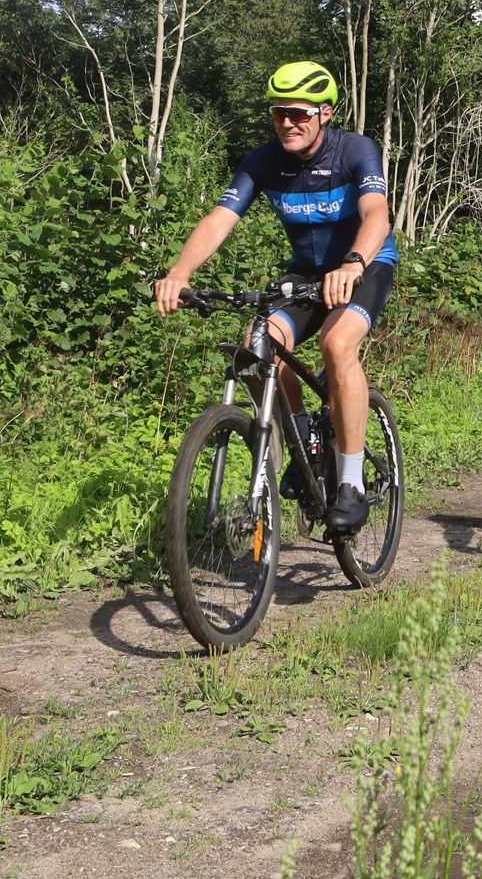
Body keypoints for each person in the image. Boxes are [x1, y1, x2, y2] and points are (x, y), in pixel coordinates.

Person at [153, 61, 394, 538]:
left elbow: (377, 215)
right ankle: (304, 441)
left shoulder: (354, 150)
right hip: (305, 274)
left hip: (364, 264)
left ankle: (350, 482)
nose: (288, 122)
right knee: (259, 344)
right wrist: (179, 272)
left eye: (299, 113)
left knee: (338, 344)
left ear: (325, 112)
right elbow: (220, 218)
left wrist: (352, 263)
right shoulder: (263, 160)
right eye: (279, 112)